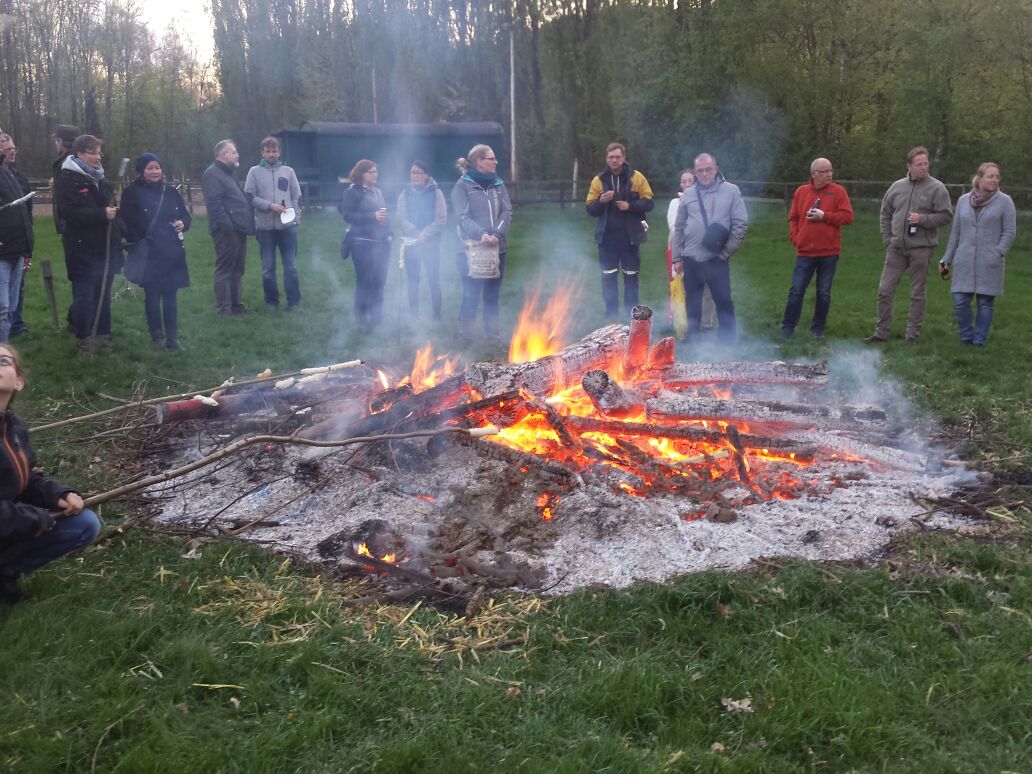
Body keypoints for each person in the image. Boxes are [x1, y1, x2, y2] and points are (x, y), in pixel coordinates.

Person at [0, 344, 101, 604]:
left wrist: (59, 494)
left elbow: (25, 478)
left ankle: (5, 571)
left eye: (3, 361)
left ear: (19, 382)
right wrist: (32, 517)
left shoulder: (13, 428)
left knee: (85, 524)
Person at [867, 146, 953, 343]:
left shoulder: (937, 188)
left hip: (922, 248)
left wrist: (923, 219)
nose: (923, 167)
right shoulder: (897, 187)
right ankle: (882, 332)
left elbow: (946, 215)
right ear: (909, 166)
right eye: (919, 164)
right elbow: (885, 214)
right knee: (884, 290)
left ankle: (911, 335)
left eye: (926, 163)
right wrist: (888, 239)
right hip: (896, 249)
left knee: (917, 293)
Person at [54, 134, 121, 356]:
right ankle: (84, 339)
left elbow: (110, 206)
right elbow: (69, 213)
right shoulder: (67, 178)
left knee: (104, 293)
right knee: (84, 296)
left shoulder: (99, 178)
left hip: (105, 249)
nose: (98, 157)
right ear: (79, 154)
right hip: (82, 249)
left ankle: (104, 335)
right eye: (93, 152)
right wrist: (102, 214)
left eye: (99, 152)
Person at [671, 153, 749, 342]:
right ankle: (693, 342)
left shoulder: (731, 191)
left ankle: (728, 342)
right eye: (700, 171)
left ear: (716, 168)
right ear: (695, 173)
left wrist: (726, 252)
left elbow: (741, 224)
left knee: (723, 301)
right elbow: (679, 227)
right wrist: (677, 257)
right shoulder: (688, 194)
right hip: (691, 258)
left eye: (708, 169)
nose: (704, 174)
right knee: (693, 303)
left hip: (717, 258)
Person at [119, 153, 192, 350]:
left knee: (170, 296)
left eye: (157, 168)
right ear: (142, 171)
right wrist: (137, 238)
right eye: (150, 168)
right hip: (149, 253)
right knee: (152, 295)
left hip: (172, 252)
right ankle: (157, 336)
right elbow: (124, 222)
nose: (154, 171)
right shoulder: (131, 193)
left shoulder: (170, 192)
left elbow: (186, 215)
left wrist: (182, 223)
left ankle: (172, 337)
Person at [939, 163, 1016, 347]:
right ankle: (966, 337)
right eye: (990, 176)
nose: (994, 180)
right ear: (979, 178)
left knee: (985, 303)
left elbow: (1009, 232)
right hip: (964, 259)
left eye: (997, 176)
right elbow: (956, 232)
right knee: (959, 301)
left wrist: (997, 253)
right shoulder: (964, 200)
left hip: (989, 261)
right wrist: (946, 259)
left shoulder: (1005, 201)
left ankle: (979, 340)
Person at [780, 157, 854, 339]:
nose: (829, 175)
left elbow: (847, 217)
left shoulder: (838, 192)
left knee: (823, 293)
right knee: (796, 290)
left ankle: (817, 330)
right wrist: (796, 238)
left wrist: (824, 216)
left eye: (830, 171)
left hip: (829, 253)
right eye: (824, 171)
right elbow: (794, 218)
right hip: (805, 252)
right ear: (813, 174)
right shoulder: (801, 192)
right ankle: (787, 329)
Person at [452, 145, 512, 347]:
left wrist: (496, 233)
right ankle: (465, 336)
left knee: (492, 295)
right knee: (471, 294)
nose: (496, 162)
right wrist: (482, 234)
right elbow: (462, 217)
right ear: (479, 162)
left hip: (498, 247)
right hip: (472, 249)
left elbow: (507, 212)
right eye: (491, 158)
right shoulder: (462, 186)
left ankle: (493, 337)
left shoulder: (498, 184)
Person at [586, 143, 655, 318]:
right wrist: (601, 201)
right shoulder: (598, 180)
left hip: (630, 238)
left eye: (618, 157)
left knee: (631, 278)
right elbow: (590, 210)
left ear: (624, 158)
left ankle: (632, 316)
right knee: (608, 278)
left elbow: (649, 203)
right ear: (607, 159)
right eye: (611, 157)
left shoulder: (637, 178)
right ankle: (611, 315)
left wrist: (630, 206)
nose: (614, 160)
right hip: (607, 239)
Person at [244, 137, 302, 311]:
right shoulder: (254, 172)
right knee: (268, 268)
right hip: (265, 228)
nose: (271, 154)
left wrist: (296, 218)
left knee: (290, 266)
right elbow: (249, 197)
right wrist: (270, 206)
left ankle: (294, 302)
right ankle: (272, 302)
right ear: (262, 153)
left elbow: (296, 196)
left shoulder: (288, 171)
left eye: (274, 151)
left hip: (287, 227)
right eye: (268, 151)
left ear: (279, 152)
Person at [201, 139, 254, 317]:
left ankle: (236, 305)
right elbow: (215, 205)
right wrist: (229, 227)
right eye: (233, 152)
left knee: (238, 269)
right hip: (226, 231)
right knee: (225, 269)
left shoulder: (229, 173)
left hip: (238, 229)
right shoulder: (212, 174)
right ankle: (224, 309)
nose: (237, 154)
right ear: (223, 155)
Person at [340, 159, 391, 327]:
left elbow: (383, 215)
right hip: (361, 243)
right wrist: (372, 216)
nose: (375, 175)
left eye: (376, 172)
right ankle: (361, 319)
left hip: (381, 243)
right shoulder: (352, 192)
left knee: (379, 281)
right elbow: (348, 216)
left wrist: (388, 231)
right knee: (364, 281)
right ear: (361, 173)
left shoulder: (378, 192)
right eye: (371, 172)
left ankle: (377, 318)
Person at [397, 160, 447, 319]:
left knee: (434, 279)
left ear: (426, 175)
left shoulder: (436, 192)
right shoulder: (405, 193)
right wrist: (414, 231)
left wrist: (425, 234)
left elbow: (441, 218)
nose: (415, 176)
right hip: (411, 244)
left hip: (431, 243)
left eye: (419, 172)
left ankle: (437, 315)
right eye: (413, 172)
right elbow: (401, 217)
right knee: (413, 281)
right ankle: (414, 315)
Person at [666, 169, 715, 329]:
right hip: (682, 252)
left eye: (690, 181)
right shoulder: (676, 203)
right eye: (684, 181)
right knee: (686, 289)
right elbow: (675, 229)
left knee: (708, 290)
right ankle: (686, 325)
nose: (687, 184)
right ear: (680, 184)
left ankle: (706, 325)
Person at [0, 135, 32, 342]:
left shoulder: (12, 175)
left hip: (17, 249)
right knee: (2, 308)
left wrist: (27, 249)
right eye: (6, 148)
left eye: (14, 147)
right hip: (2, 252)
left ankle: (4, 355)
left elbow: (24, 215)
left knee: (10, 308)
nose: (12, 151)